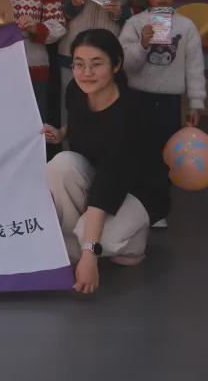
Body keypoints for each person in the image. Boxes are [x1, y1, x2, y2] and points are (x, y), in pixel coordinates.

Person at [42, 29, 167, 293]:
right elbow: (80, 123)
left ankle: (131, 242)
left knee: (98, 239)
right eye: (79, 64)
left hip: (137, 189)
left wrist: (90, 251)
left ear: (116, 65)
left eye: (96, 64)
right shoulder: (76, 91)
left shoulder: (129, 114)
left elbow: (110, 182)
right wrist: (61, 133)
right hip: (99, 177)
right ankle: (74, 244)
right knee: (60, 164)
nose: (86, 72)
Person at [119, 0, 206, 227]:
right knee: (136, 151)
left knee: (165, 154)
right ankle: (134, 205)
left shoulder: (186, 27)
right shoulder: (135, 24)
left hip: (169, 101)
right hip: (137, 97)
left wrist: (196, 102)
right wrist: (142, 44)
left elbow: (194, 66)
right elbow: (125, 65)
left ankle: (157, 210)